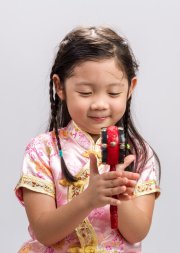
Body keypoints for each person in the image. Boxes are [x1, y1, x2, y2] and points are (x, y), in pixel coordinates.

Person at [14, 26, 161, 253]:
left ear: (130, 88)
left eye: (113, 93)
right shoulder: (43, 150)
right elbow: (44, 232)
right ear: (59, 86)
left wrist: (118, 196)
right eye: (85, 92)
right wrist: (88, 199)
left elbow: (137, 232)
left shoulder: (138, 153)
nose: (100, 103)